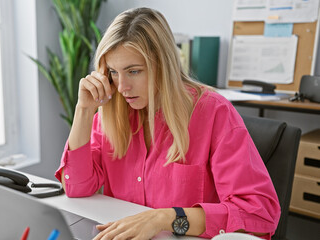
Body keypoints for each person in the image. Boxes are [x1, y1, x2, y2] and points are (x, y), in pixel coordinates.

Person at [55, 7, 280, 240]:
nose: (121, 87)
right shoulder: (111, 113)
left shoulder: (214, 112)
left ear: (163, 66)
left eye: (134, 71)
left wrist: (164, 218)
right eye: (113, 72)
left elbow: (259, 216)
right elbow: (76, 187)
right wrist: (83, 110)